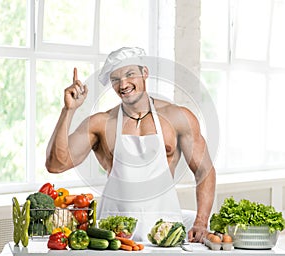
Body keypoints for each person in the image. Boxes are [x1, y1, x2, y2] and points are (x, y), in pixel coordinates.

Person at [46, 47, 216, 243]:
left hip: (165, 234)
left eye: (129, 74)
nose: (123, 84)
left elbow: (205, 170)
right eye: (116, 79)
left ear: (145, 73)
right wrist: (68, 110)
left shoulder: (178, 117)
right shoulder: (101, 123)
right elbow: (56, 165)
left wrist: (201, 222)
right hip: (113, 235)